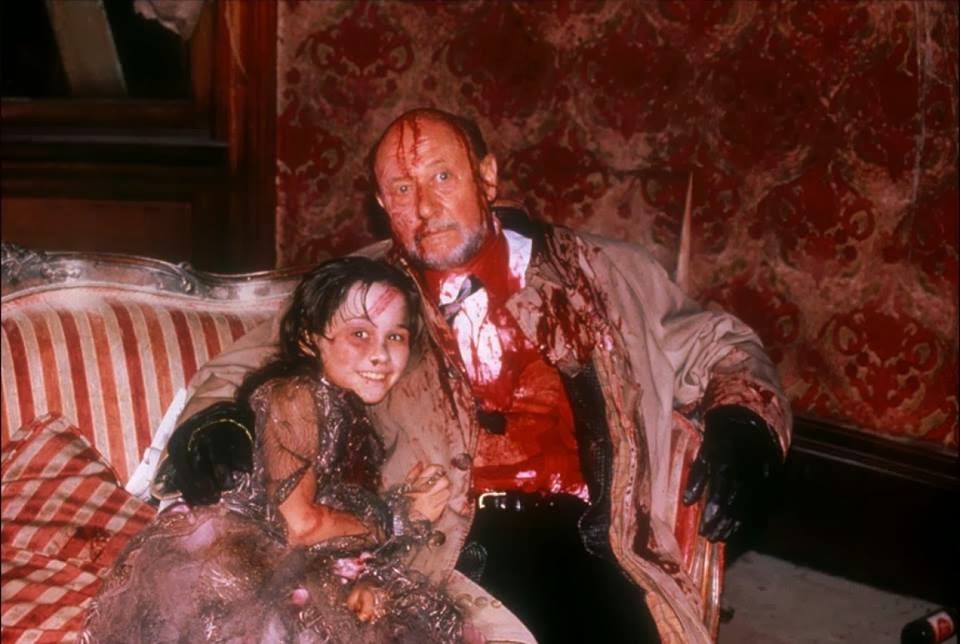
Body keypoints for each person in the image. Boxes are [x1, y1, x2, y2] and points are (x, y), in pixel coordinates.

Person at [158, 108, 791, 643]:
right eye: (401, 190)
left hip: (578, 540)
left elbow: (721, 345)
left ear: (487, 177)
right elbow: (241, 367)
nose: (425, 208)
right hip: (427, 546)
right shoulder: (360, 291)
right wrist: (216, 425)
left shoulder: (605, 274)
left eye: (442, 177)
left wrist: (746, 423)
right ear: (380, 204)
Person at [84, 257, 479, 644]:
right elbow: (300, 526)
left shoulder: (349, 407)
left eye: (396, 337)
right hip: (234, 574)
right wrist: (397, 518)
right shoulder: (296, 396)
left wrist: (376, 562)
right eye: (359, 334)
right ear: (309, 339)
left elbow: (329, 531)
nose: (380, 355)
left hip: (287, 567)